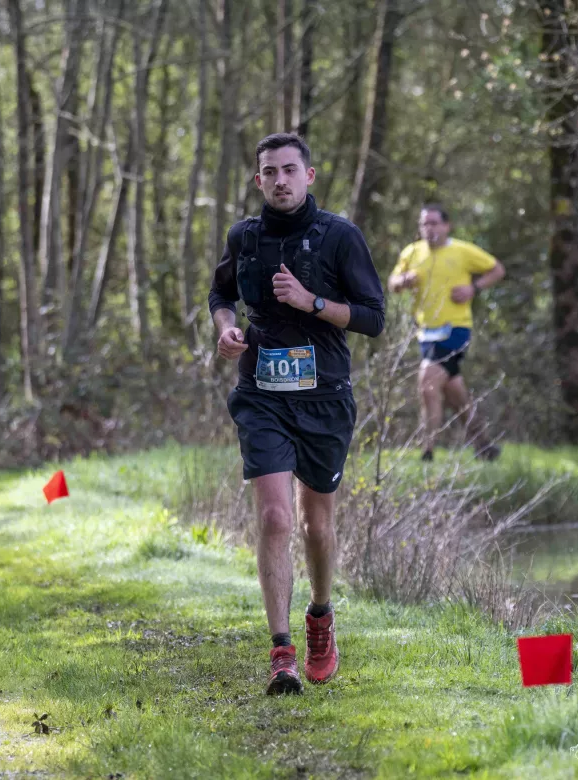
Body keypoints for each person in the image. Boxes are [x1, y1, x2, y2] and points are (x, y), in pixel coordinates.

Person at [209, 132, 385, 695]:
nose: (280, 180)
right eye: (270, 171)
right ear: (258, 179)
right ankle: (281, 652)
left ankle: (320, 618)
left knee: (316, 523)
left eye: (289, 170)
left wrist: (312, 302)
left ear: (309, 175)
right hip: (261, 394)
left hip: (324, 396)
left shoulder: (340, 236)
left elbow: (373, 317)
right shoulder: (244, 237)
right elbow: (220, 296)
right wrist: (227, 330)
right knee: (274, 518)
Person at [388, 205, 505, 462]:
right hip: (425, 332)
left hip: (456, 329)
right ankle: (484, 445)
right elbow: (392, 283)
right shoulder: (412, 252)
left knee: (427, 382)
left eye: (434, 223)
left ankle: (427, 451)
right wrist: (404, 281)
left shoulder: (462, 251)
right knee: (454, 391)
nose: (429, 228)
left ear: (446, 226)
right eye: (424, 224)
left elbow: (497, 269)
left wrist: (473, 288)